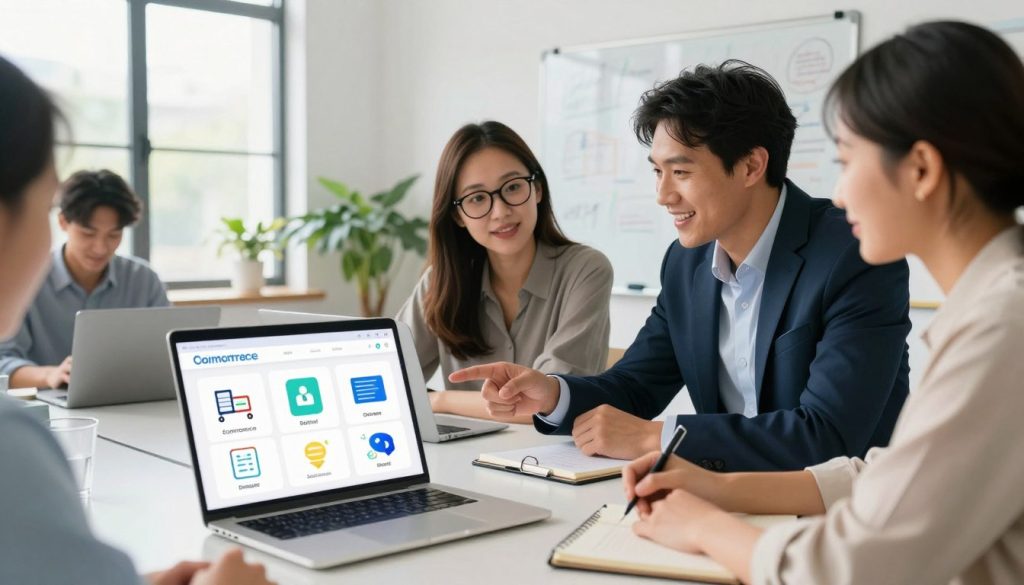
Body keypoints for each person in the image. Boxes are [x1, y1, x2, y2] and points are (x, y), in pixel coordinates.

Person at [621, 21, 1024, 585]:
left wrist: (706, 527)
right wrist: (718, 486)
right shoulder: (993, 303)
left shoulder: (1005, 326)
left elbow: (860, 564)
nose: (838, 193)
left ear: (923, 170)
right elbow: (889, 479)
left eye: (848, 160)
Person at [452, 61, 912, 468]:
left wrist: (660, 437)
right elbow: (635, 386)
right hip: (718, 494)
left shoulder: (854, 255)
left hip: (839, 514)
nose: (663, 195)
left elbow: (827, 435)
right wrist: (553, 394)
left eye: (682, 172)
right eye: (657, 171)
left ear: (752, 166)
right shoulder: (686, 262)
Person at [0, 55, 274, 584]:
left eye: (114, 234)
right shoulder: (11, 447)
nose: (101, 246)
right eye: (41, 206)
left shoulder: (139, 277)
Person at [397, 121, 613, 422]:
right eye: (477, 198)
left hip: (555, 461)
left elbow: (548, 403)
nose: (500, 211)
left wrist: (440, 400)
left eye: (512, 187)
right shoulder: (441, 282)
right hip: (462, 458)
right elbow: (388, 379)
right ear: (458, 216)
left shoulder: (585, 270)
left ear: (536, 189)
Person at [0, 168, 170, 389]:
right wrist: (51, 375)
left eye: (114, 235)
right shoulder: (27, 277)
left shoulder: (143, 280)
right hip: (47, 407)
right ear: (63, 222)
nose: (100, 248)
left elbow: (165, 352)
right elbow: (3, 361)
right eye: (88, 234)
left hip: (126, 400)